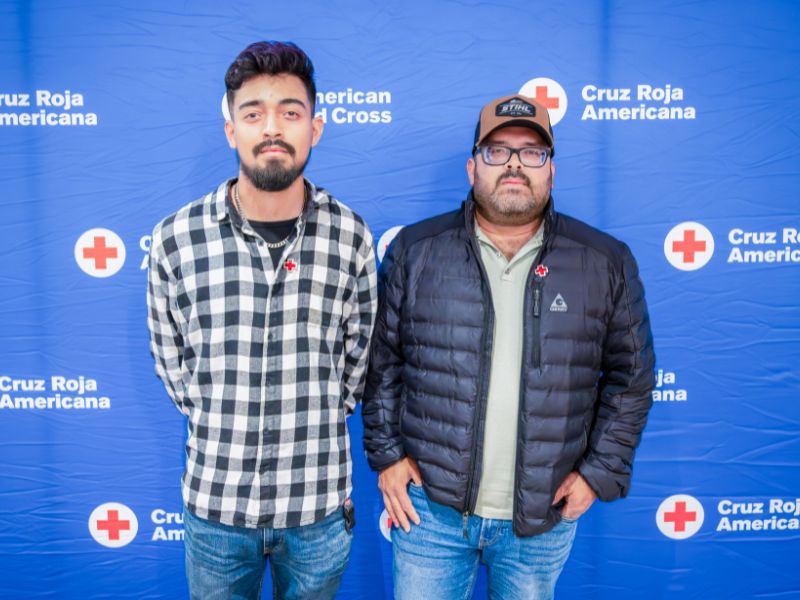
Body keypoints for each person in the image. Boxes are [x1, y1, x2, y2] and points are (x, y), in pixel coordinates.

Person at [362, 93, 655, 599]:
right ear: (473, 166)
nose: (515, 165)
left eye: (532, 152)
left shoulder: (604, 261)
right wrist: (388, 457)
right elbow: (381, 365)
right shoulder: (416, 251)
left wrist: (598, 472)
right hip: (429, 512)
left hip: (542, 519)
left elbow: (632, 380)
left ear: (551, 171)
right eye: (498, 151)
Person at [147, 41, 377, 600]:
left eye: (290, 112)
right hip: (216, 509)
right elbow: (174, 367)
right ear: (231, 130)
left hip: (317, 510)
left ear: (315, 128)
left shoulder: (350, 236)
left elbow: (356, 367)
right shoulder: (175, 239)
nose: (272, 127)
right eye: (253, 112)